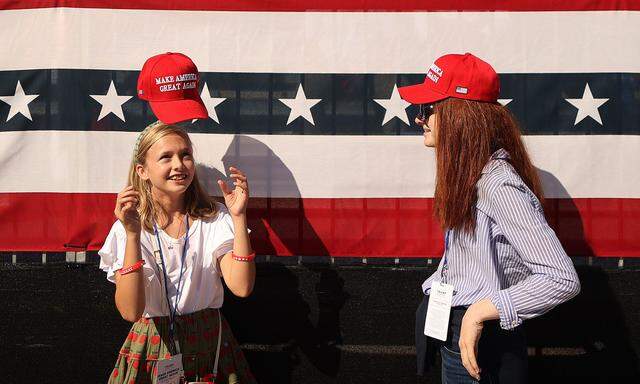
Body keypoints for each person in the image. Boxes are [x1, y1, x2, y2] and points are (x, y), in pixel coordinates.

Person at [399, 53, 581, 383]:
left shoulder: (497, 185)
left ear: (460, 117)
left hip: (483, 343)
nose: (418, 119)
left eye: (427, 109)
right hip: (457, 332)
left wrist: (478, 313)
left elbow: (561, 278)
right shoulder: (468, 174)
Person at [99, 120, 257, 384]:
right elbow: (130, 311)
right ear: (143, 170)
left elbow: (241, 287)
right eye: (166, 157)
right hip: (154, 344)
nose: (179, 165)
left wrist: (238, 217)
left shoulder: (214, 218)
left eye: (185, 155)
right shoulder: (127, 227)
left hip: (209, 341)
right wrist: (132, 235)